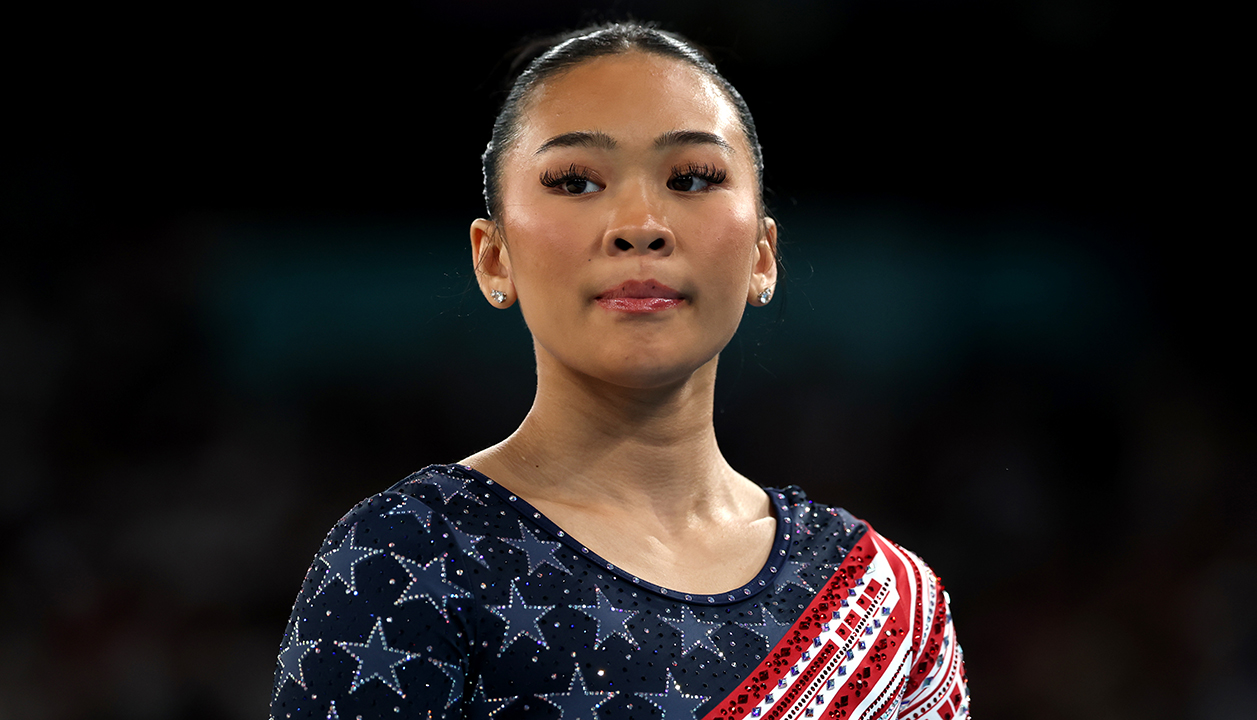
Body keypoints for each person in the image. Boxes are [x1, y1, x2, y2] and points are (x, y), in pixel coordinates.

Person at [270, 22, 968, 720]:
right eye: (575, 181)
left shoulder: (887, 603)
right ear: (494, 258)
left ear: (762, 254)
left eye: (692, 177)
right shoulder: (412, 558)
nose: (639, 224)